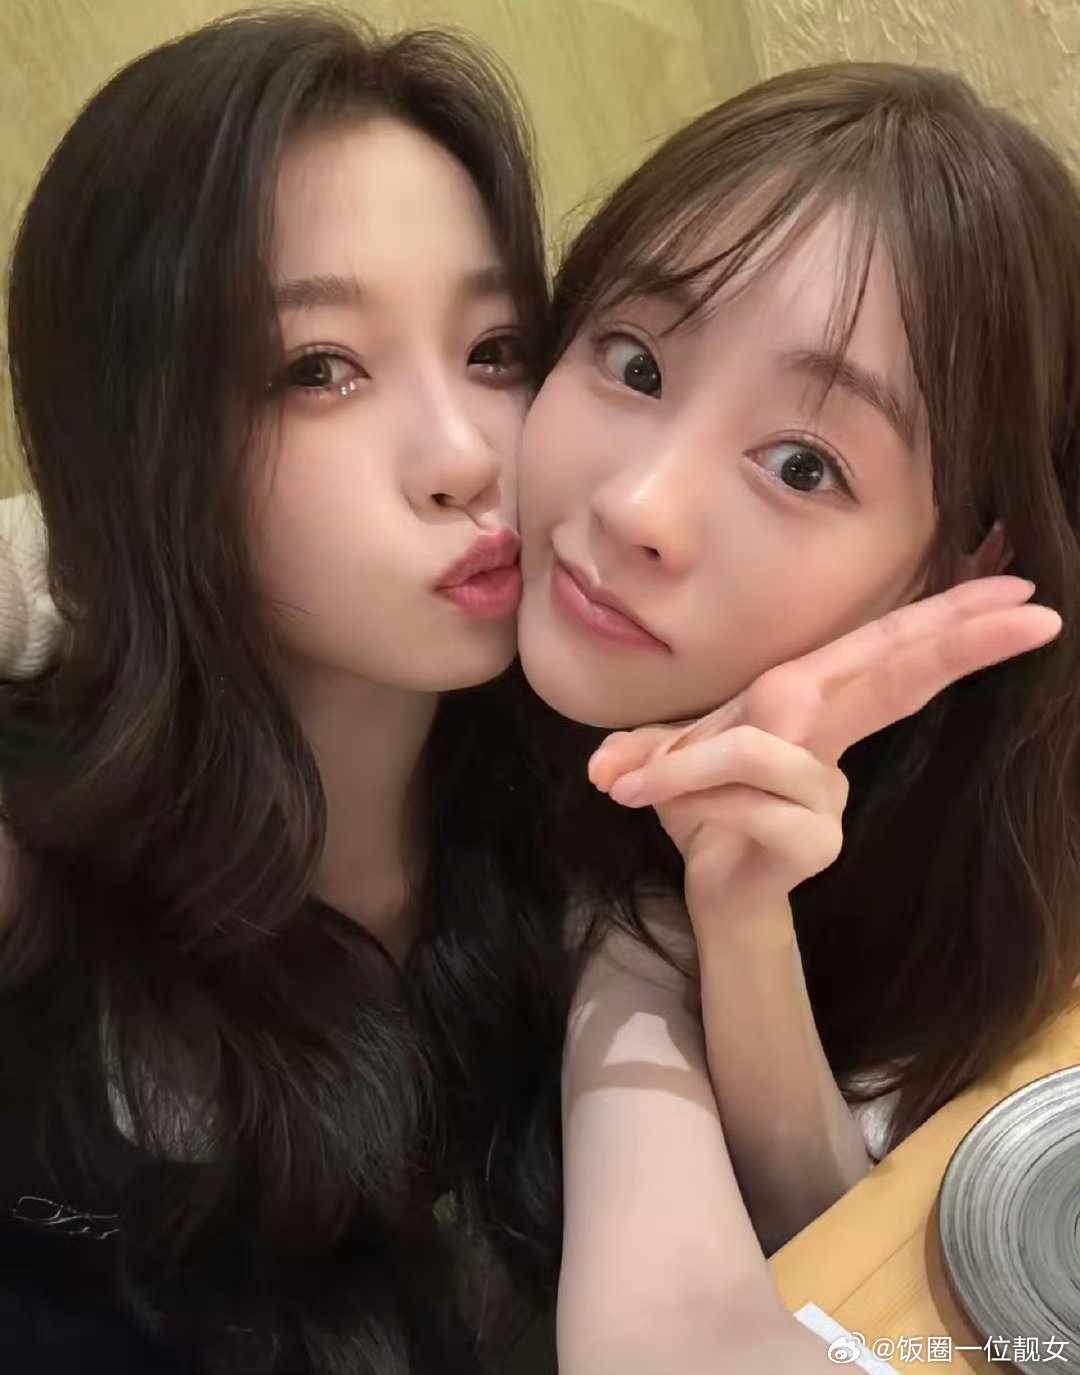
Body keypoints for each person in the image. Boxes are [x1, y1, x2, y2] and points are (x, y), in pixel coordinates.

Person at [0, 11, 573, 1372]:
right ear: (141, 439)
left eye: (496, 349)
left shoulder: (583, 802)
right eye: (319, 368)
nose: (464, 455)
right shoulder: (40, 864)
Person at [518, 61, 1078, 1254]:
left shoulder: (976, 858)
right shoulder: (428, 658)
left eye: (802, 465)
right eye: (636, 364)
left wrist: (744, 921)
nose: (639, 505)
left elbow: (846, 1285)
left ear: (957, 563)